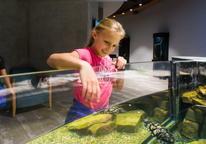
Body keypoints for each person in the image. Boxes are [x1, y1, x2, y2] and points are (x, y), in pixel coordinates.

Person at [47, 18, 127, 124]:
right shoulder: (85, 54)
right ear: (95, 35)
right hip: (82, 113)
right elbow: (52, 60)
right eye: (106, 42)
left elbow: (118, 87)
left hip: (102, 112)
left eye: (114, 45)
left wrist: (121, 68)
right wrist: (83, 65)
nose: (109, 49)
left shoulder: (108, 60)